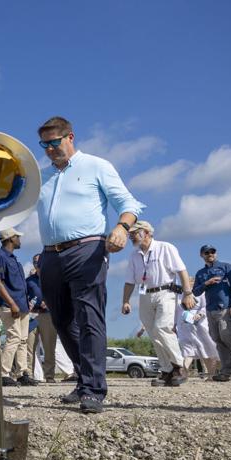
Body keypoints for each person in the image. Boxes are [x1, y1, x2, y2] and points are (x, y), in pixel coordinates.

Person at [35, 116, 143, 414]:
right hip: (50, 255)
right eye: (44, 145)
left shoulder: (97, 166)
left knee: (88, 316)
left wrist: (121, 228)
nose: (49, 150)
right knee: (61, 320)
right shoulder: (41, 177)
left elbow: (128, 203)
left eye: (54, 143)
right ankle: (84, 379)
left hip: (88, 248)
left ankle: (94, 389)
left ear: (70, 137)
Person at [121, 221, 194, 386]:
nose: (131, 236)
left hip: (165, 292)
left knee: (162, 327)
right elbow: (129, 281)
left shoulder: (165, 247)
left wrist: (187, 293)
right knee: (154, 333)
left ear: (146, 233)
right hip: (145, 295)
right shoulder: (134, 255)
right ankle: (167, 370)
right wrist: (125, 301)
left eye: (135, 232)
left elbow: (181, 270)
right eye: (130, 233)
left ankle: (179, 366)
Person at [193, 245, 231, 381]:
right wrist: (206, 283)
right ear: (202, 255)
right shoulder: (200, 273)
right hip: (210, 309)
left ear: (216, 253)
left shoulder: (227, 267)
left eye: (212, 251)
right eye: (206, 252)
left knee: (229, 336)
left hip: (226, 308)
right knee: (217, 339)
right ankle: (228, 370)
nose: (210, 254)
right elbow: (195, 291)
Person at [0, 228, 37, 386]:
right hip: (9, 305)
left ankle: (21, 373)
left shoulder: (14, 259)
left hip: (22, 305)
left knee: (22, 340)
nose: (20, 239)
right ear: (11, 239)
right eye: (18, 237)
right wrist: (11, 303)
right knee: (14, 338)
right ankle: (3, 374)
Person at [26, 254, 56, 382]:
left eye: (38, 261)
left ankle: (49, 376)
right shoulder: (29, 281)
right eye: (34, 262)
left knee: (49, 347)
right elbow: (24, 295)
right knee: (29, 346)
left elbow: (59, 295)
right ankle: (28, 375)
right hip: (32, 315)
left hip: (47, 315)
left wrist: (49, 302)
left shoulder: (53, 279)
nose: (36, 264)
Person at [175, 292, 220, 378]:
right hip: (183, 325)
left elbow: (205, 306)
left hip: (200, 324)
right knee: (187, 349)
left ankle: (211, 374)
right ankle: (183, 373)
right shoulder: (178, 294)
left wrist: (199, 314)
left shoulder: (200, 292)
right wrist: (174, 324)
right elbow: (176, 310)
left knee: (205, 349)